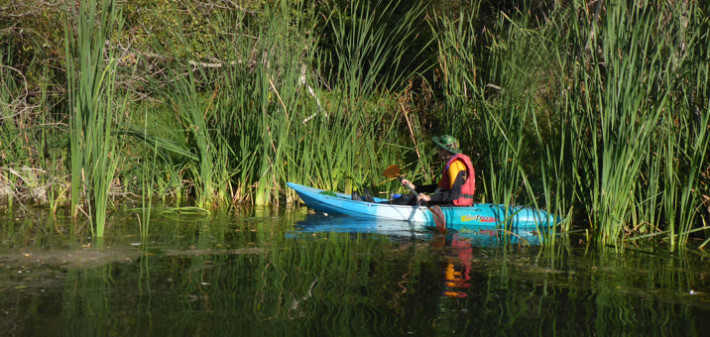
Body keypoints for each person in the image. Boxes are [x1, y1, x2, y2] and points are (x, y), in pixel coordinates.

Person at [396, 135, 475, 206]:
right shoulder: (456, 164)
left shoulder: (454, 166)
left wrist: (429, 198)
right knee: (410, 198)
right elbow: (438, 187)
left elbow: (454, 194)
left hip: (453, 205)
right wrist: (415, 187)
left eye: (438, 149)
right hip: (459, 203)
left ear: (444, 151)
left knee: (406, 199)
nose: (437, 152)